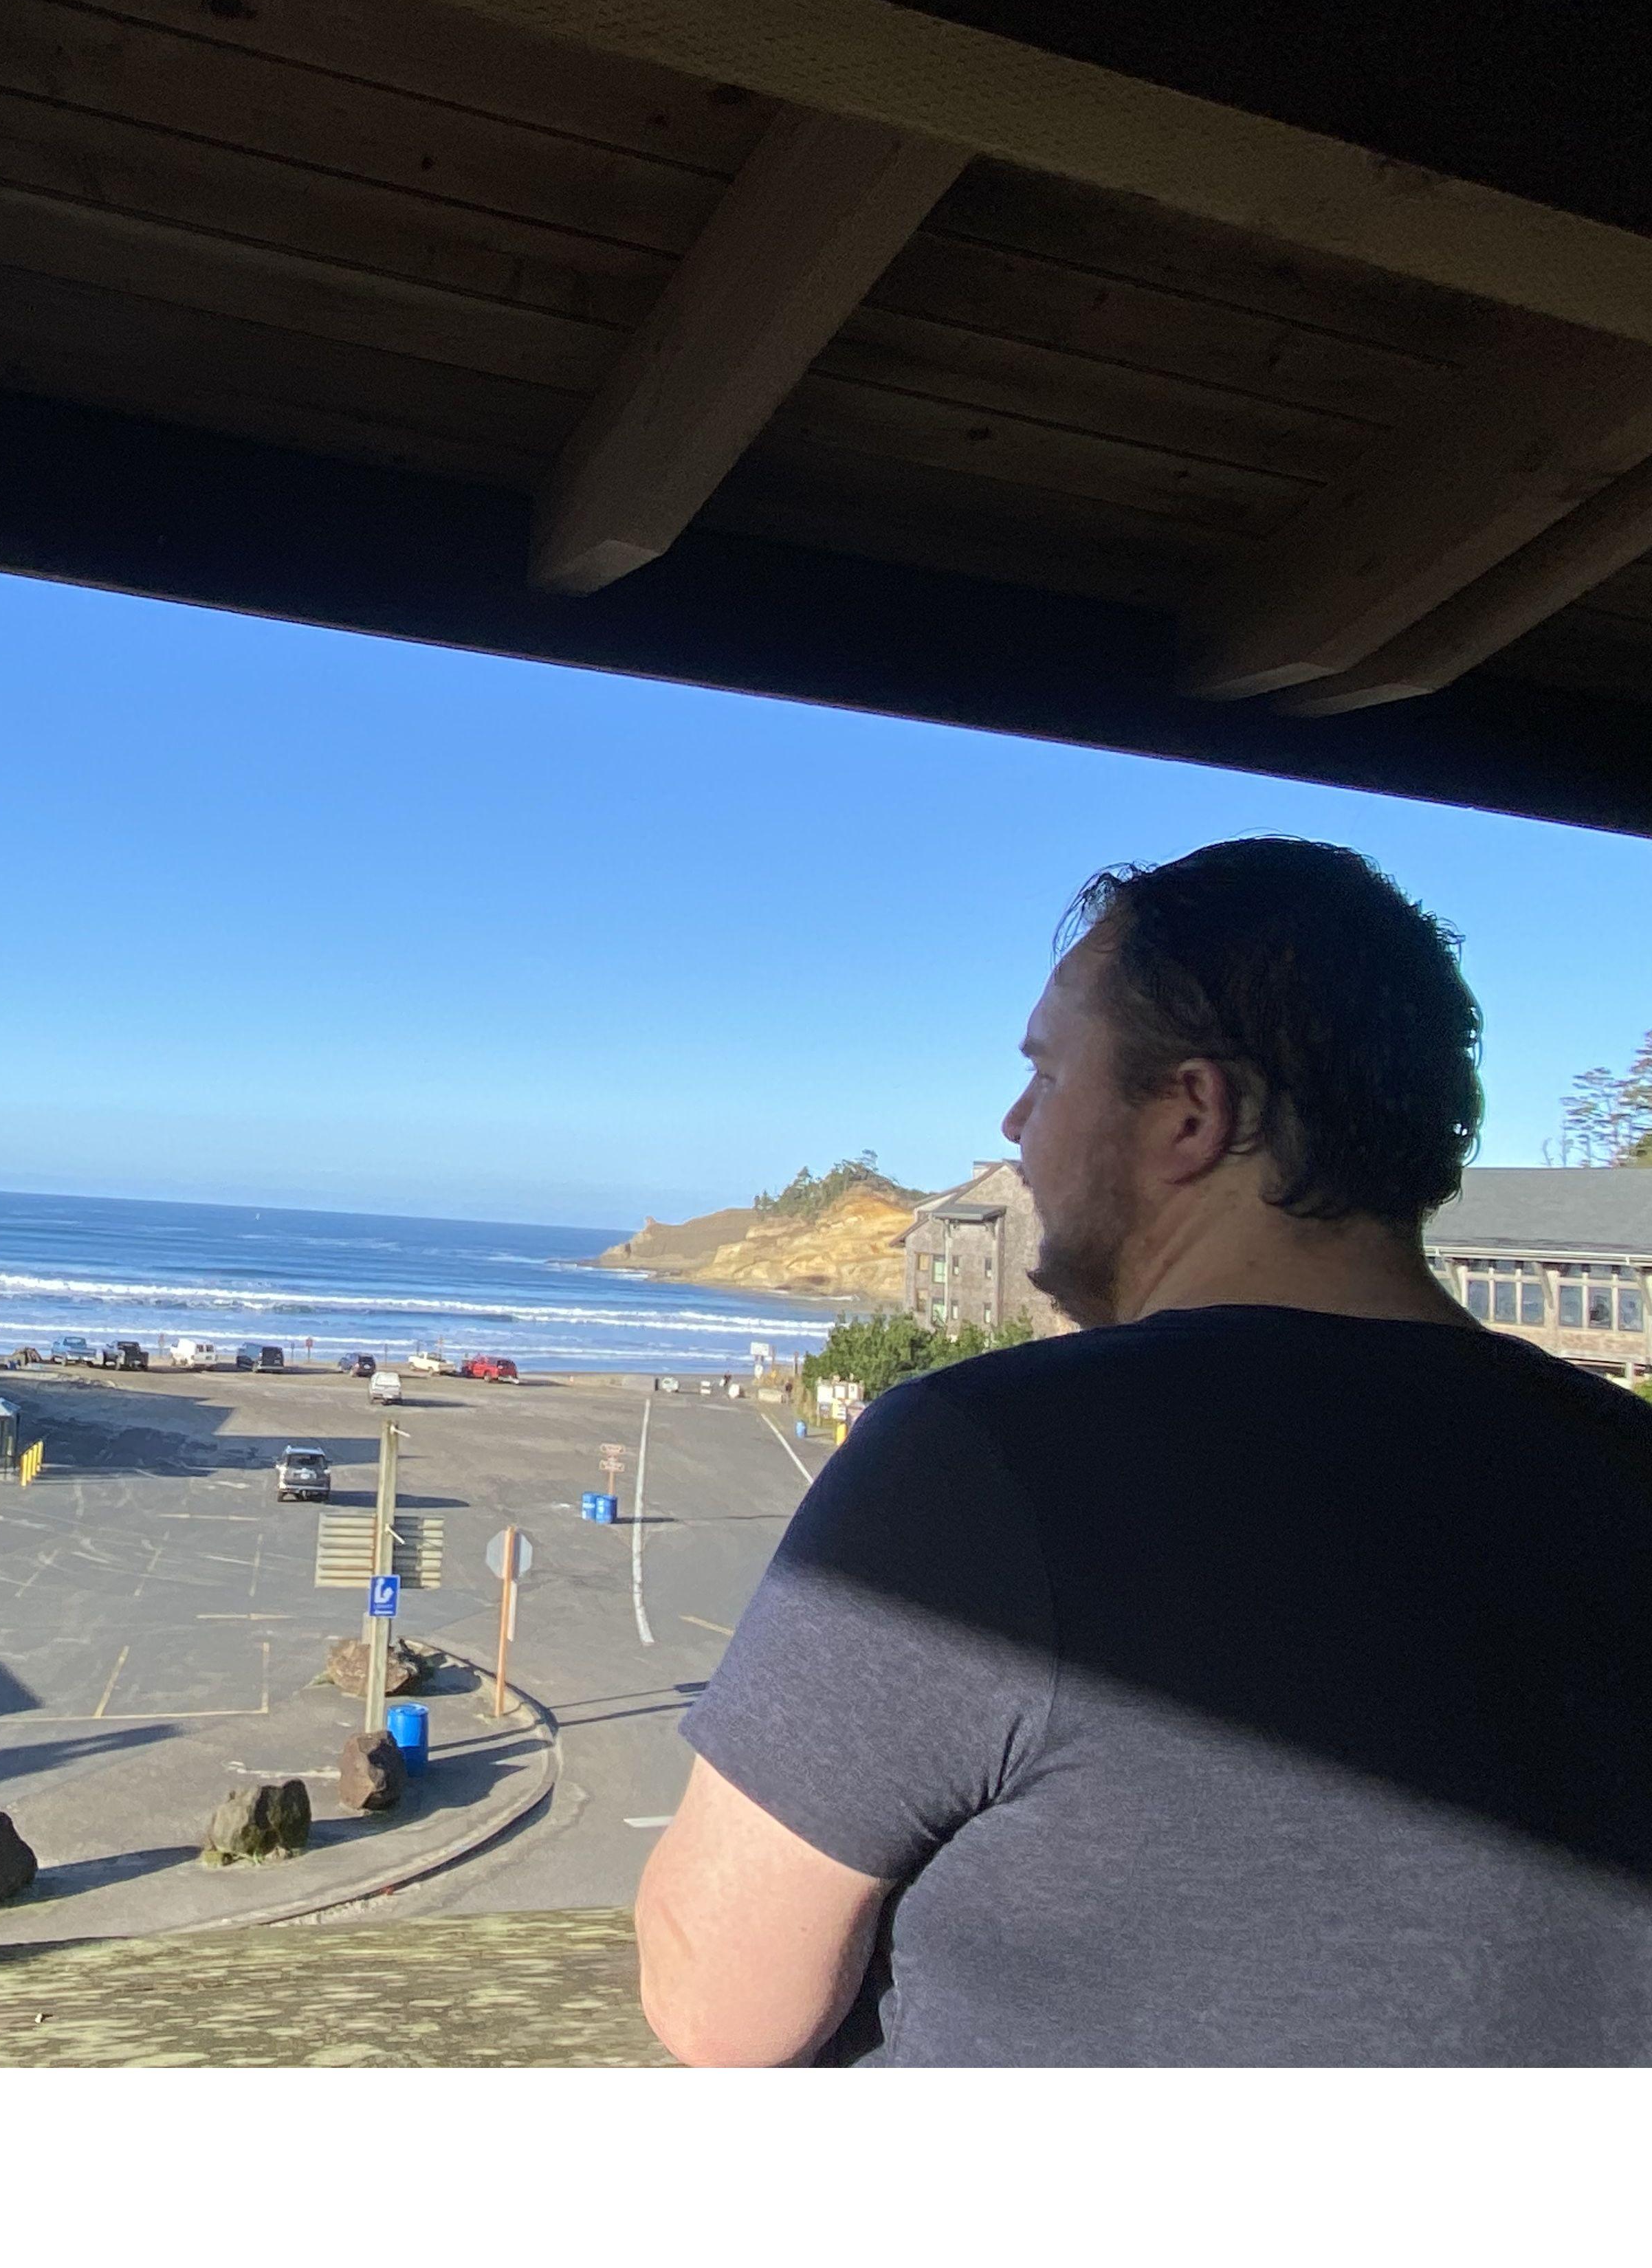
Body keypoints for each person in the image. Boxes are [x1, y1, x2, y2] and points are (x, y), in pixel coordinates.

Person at [636, 837, 1652, 2066]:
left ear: (1191, 1113)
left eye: (1047, 1074)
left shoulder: (986, 1460)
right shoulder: (1616, 1459)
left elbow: (714, 2003)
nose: (1014, 1126)